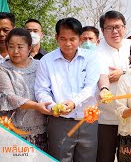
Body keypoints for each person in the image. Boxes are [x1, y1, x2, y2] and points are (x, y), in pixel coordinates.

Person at [35, 17, 100, 162]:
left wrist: (74, 102)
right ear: (56, 37)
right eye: (63, 38)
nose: (68, 43)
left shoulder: (91, 57)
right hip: (59, 122)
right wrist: (53, 106)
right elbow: (41, 90)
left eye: (73, 39)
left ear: (80, 39)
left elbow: (90, 87)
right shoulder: (46, 61)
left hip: (87, 122)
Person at [0, 28, 51, 151]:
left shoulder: (40, 65)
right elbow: (9, 97)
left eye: (20, 47)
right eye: (11, 46)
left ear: (29, 48)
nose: (15, 51)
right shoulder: (3, 69)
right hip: (14, 131)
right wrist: (36, 106)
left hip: (41, 129)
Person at [96, 10, 131, 162]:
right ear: (102, 30)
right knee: (105, 157)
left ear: (124, 28)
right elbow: (102, 75)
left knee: (130, 157)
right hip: (107, 118)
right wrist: (104, 89)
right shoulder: (97, 52)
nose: (115, 31)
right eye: (109, 28)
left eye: (118, 26)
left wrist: (124, 72)